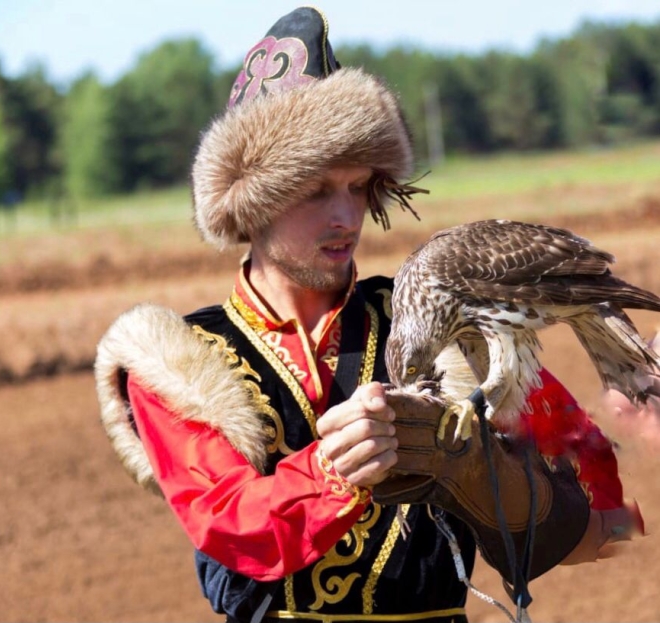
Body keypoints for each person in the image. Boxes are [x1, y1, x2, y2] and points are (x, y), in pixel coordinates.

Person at [95, 7, 641, 622]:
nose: (347, 217)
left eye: (358, 187)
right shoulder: (179, 361)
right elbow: (232, 526)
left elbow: (602, 518)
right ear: (252, 204)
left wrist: (489, 478)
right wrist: (338, 466)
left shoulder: (445, 325)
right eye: (316, 190)